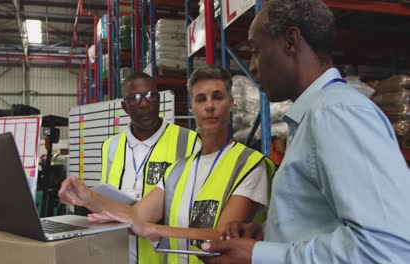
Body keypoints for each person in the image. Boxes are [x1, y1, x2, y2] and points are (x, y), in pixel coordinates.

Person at [201, 0, 410, 263]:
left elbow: (384, 247)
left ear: (291, 41)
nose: (252, 67)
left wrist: (259, 255)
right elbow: (327, 223)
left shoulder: (335, 114)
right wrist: (269, 237)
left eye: (256, 51)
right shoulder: (315, 116)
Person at [59, 65, 275, 264]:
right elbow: (136, 215)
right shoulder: (177, 171)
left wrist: (152, 229)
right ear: (191, 107)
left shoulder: (250, 165)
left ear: (232, 103)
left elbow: (223, 238)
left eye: (217, 97)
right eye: (201, 99)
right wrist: (88, 197)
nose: (209, 106)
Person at [100, 72, 199, 263]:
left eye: (151, 95)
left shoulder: (188, 141)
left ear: (159, 99)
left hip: (165, 257)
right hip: (119, 255)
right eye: (135, 98)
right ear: (124, 106)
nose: (144, 104)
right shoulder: (110, 147)